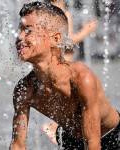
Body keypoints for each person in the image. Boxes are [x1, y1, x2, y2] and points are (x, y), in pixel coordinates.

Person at [10, 2, 120, 150]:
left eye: (27, 30)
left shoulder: (81, 79)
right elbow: (17, 145)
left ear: (56, 39)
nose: (19, 36)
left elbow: (93, 144)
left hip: (112, 137)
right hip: (69, 138)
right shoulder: (25, 90)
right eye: (19, 30)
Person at [42, 0, 98, 144]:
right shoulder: (61, 13)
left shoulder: (49, 12)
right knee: (75, 98)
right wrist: (87, 30)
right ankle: (53, 127)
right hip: (63, 65)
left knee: (69, 99)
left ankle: (58, 127)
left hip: (59, 64)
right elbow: (67, 41)